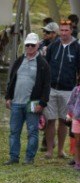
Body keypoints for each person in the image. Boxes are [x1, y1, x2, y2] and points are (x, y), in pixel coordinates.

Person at [4, 33, 50, 165]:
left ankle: (29, 158)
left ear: (37, 45)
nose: (29, 47)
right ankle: (13, 157)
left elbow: (47, 85)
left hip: (32, 103)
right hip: (16, 103)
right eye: (27, 45)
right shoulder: (19, 60)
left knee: (32, 132)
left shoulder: (43, 63)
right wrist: (8, 97)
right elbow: (12, 79)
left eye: (32, 45)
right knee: (14, 131)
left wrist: (42, 102)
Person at [44, 20, 80, 159]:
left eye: (66, 30)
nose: (64, 33)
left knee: (63, 121)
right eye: (62, 30)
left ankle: (60, 150)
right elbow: (46, 65)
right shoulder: (53, 46)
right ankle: (49, 150)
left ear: (71, 31)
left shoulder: (77, 47)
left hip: (68, 90)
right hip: (51, 88)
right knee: (50, 120)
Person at [67, 82, 80, 170]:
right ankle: (77, 162)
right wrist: (74, 112)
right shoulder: (76, 90)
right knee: (78, 142)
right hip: (77, 120)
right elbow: (69, 103)